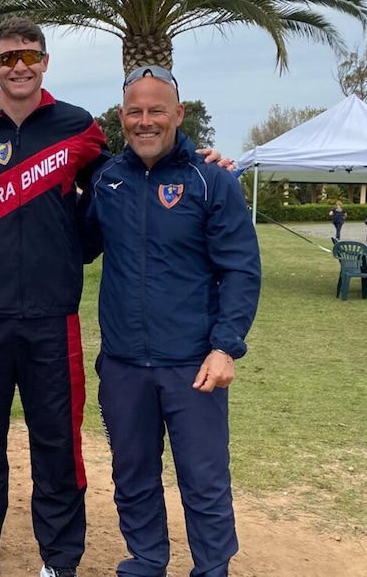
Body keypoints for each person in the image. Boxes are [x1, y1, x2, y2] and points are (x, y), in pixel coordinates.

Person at [0, 17, 225, 577]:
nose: (20, 66)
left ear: (45, 62)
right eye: (8, 57)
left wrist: (200, 160)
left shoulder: (78, 127)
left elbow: (119, 187)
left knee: (58, 446)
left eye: (31, 56)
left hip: (52, 317)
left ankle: (59, 560)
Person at [81, 64, 261, 577]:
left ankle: (211, 568)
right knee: (132, 474)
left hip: (193, 365)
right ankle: (147, 561)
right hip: (122, 365)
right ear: (121, 117)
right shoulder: (107, 180)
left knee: (203, 480)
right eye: (134, 112)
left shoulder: (212, 179)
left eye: (156, 110)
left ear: (178, 114)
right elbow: (75, 245)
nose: (145, 121)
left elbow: (242, 270)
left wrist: (226, 346)